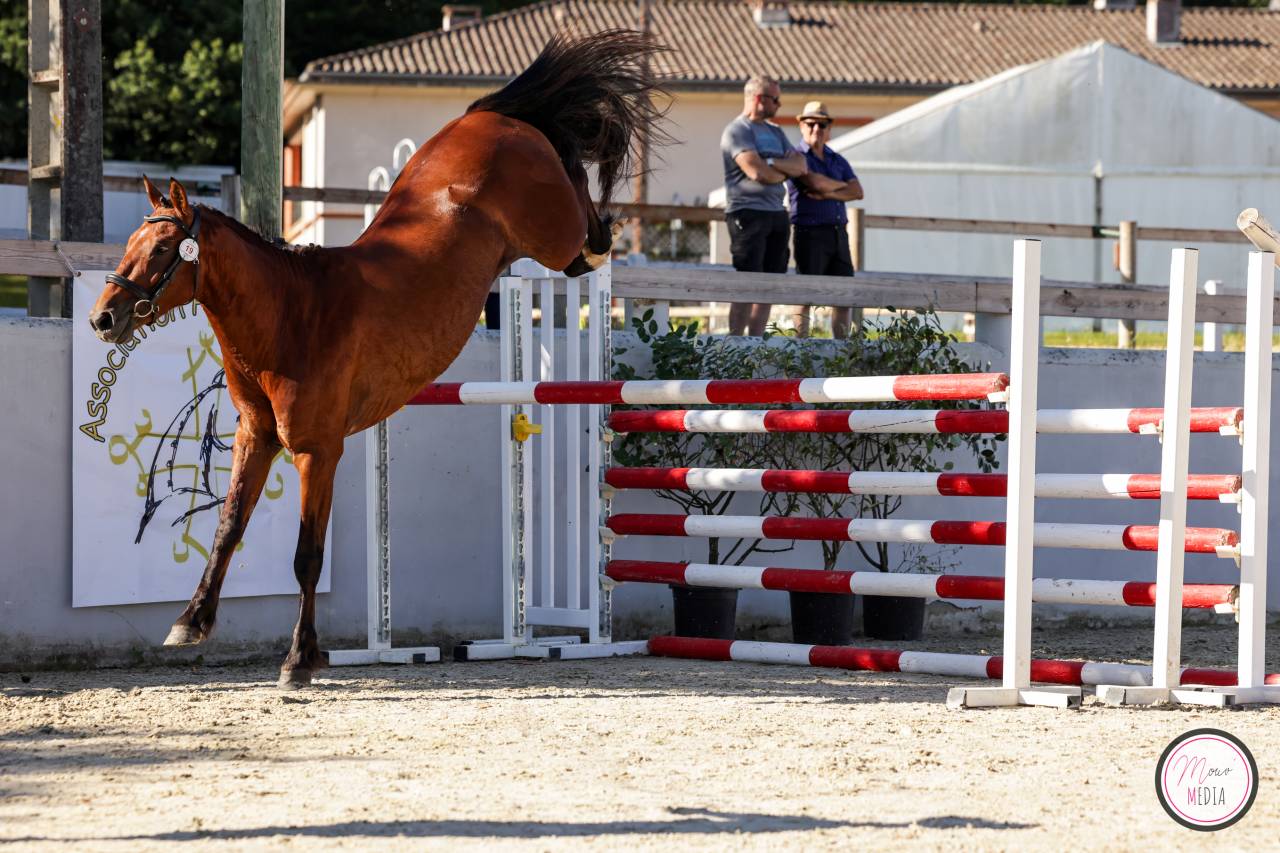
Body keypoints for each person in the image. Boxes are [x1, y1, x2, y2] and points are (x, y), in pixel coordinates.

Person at [720, 75, 808, 336]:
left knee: (769, 283)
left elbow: (800, 167)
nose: (779, 105)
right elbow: (757, 172)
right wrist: (779, 168)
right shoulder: (737, 131)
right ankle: (736, 343)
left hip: (776, 213)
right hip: (747, 213)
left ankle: (755, 342)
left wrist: (770, 164)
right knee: (747, 282)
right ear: (759, 99)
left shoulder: (776, 131)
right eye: (776, 99)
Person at [787, 101, 864, 338]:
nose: (816, 129)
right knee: (806, 292)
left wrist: (828, 192)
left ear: (829, 128)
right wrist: (836, 188)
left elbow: (857, 191)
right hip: (810, 231)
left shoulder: (836, 158)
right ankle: (801, 345)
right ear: (801, 125)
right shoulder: (796, 157)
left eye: (822, 124)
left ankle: (841, 347)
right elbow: (814, 183)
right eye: (811, 123)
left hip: (837, 232)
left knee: (843, 294)